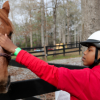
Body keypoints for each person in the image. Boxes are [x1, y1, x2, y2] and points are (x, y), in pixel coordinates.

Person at [0, 31, 100, 100]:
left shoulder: (87, 77)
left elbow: (49, 71)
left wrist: (15, 50)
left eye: (90, 49)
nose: (85, 52)